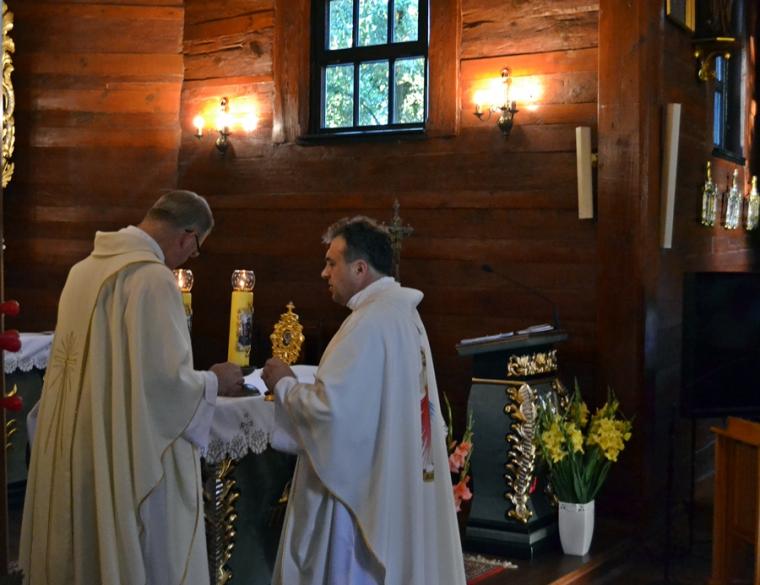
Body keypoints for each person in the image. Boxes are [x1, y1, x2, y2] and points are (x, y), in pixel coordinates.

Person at [19, 190, 246, 585]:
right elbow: (166, 386)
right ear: (187, 236)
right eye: (196, 249)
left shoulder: (81, 272)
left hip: (80, 445)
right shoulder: (152, 279)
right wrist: (214, 381)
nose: (190, 258)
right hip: (123, 451)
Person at [262, 216, 466, 585]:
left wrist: (284, 384)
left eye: (331, 263)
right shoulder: (403, 316)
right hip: (393, 478)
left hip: (358, 497)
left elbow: (330, 413)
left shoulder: (368, 323)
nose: (324, 273)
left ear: (359, 268)